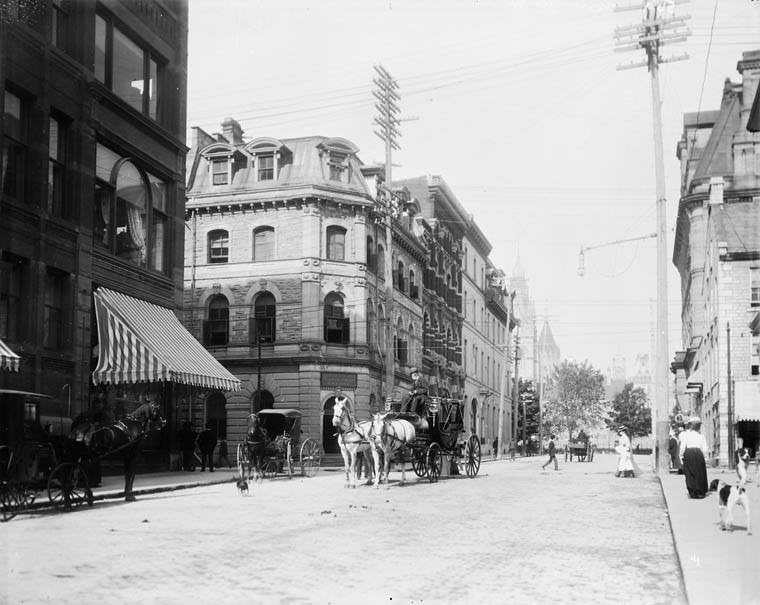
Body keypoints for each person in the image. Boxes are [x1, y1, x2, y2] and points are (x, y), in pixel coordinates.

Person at [679, 416, 708, 498]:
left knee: (689, 472)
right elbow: (705, 448)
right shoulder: (701, 436)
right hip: (698, 453)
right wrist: (705, 458)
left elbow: (682, 446)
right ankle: (700, 491)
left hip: (688, 453)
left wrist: (681, 456)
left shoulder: (686, 435)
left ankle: (692, 491)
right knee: (700, 472)